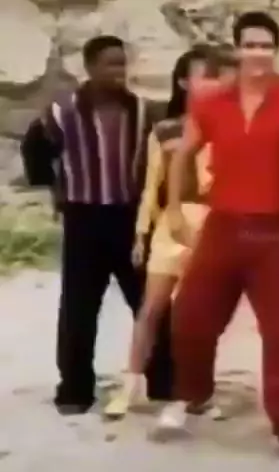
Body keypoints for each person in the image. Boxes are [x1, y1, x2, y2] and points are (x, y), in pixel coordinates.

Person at [157, 11, 279, 464]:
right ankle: (191, 395)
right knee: (190, 318)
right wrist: (173, 209)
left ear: (276, 50)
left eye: (266, 46)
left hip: (275, 232)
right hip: (223, 225)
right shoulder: (211, 102)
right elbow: (182, 155)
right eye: (250, 45)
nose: (258, 53)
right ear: (237, 49)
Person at [35, 35, 172, 415]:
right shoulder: (61, 112)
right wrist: (57, 191)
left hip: (129, 218)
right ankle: (75, 389)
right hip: (83, 218)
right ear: (90, 67)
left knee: (149, 302)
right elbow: (37, 151)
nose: (118, 72)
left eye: (122, 64)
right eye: (110, 64)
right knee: (79, 307)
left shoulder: (141, 111)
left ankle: (163, 381)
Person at [103, 44, 238, 419]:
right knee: (150, 309)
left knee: (198, 316)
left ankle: (198, 393)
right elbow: (151, 185)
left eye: (219, 77)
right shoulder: (164, 130)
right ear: (183, 82)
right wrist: (141, 233)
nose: (215, 83)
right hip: (171, 223)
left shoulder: (232, 126)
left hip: (214, 224)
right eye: (206, 76)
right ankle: (130, 387)